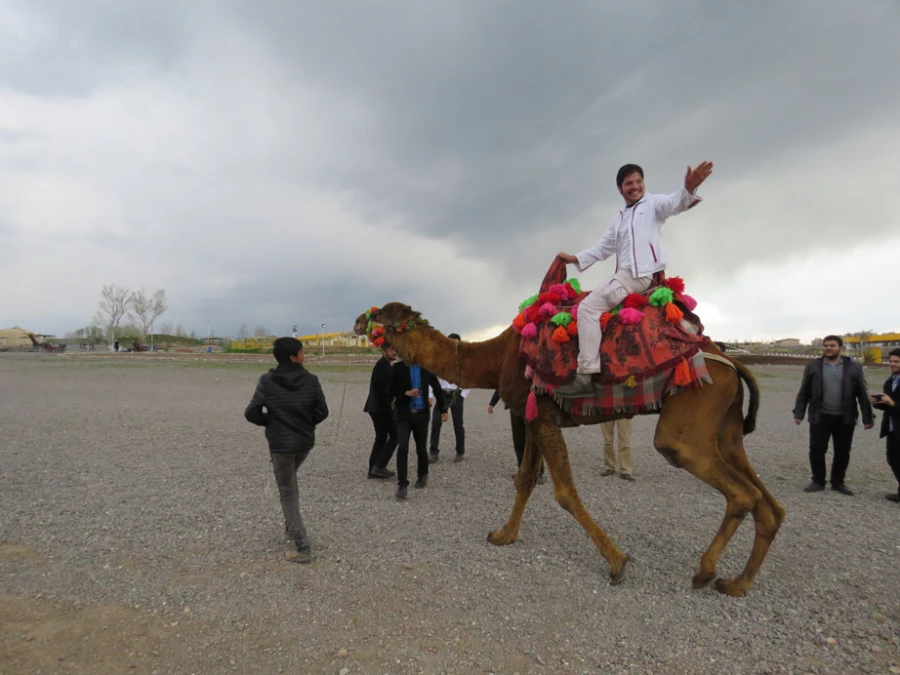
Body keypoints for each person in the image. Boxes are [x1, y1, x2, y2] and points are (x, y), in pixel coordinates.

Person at [554, 161, 713, 396]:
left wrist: (688, 189)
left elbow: (674, 204)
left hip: (639, 277)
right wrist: (575, 258)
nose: (635, 186)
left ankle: (586, 375)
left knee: (587, 308)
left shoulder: (653, 204)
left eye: (638, 181)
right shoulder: (618, 219)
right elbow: (603, 247)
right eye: (629, 183)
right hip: (625, 277)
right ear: (620, 189)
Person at [244, 337, 329, 563]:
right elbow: (322, 412)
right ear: (293, 357)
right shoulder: (311, 380)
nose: (304, 355)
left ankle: (302, 545)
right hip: (303, 443)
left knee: (287, 491)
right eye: (302, 352)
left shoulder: (266, 380)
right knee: (290, 484)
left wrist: (270, 422)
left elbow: (251, 412)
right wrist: (304, 422)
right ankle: (292, 527)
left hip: (281, 445)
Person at [793, 335, 874, 495]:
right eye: (826, 345)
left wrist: (867, 417)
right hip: (820, 416)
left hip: (845, 417)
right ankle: (818, 480)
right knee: (816, 449)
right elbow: (804, 392)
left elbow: (862, 394)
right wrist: (799, 413)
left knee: (842, 452)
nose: (828, 348)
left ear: (840, 348)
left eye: (832, 345)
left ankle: (838, 482)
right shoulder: (814, 366)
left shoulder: (853, 367)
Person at [390, 359, 447, 500]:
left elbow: (437, 388)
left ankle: (423, 475)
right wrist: (405, 393)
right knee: (402, 447)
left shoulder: (426, 367)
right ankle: (402, 484)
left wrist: (443, 409)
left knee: (421, 448)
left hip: (421, 415)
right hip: (404, 414)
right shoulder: (398, 367)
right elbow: (390, 389)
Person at [488, 390, 546, 484]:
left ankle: (539, 472)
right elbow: (502, 383)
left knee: (534, 440)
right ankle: (522, 470)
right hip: (515, 407)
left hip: (531, 405)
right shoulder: (508, 374)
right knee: (518, 440)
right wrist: (493, 402)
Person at [428, 333, 469, 463]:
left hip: (457, 394)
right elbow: (433, 378)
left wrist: (462, 395)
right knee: (436, 422)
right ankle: (433, 452)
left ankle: (460, 451)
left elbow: (468, 379)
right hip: (442, 394)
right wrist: (430, 395)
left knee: (458, 424)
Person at [363, 344, 399, 479]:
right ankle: (380, 466)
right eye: (391, 349)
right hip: (381, 407)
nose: (394, 352)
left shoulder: (384, 364)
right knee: (395, 435)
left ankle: (373, 468)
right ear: (384, 351)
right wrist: (392, 402)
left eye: (395, 349)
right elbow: (384, 389)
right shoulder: (383, 365)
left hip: (376, 406)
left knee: (381, 437)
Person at [871, 348, 900, 503]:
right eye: (890, 361)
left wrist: (892, 403)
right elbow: (889, 407)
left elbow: (894, 404)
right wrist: (878, 403)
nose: (892, 364)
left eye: (896, 361)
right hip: (892, 429)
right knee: (893, 459)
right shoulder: (890, 381)